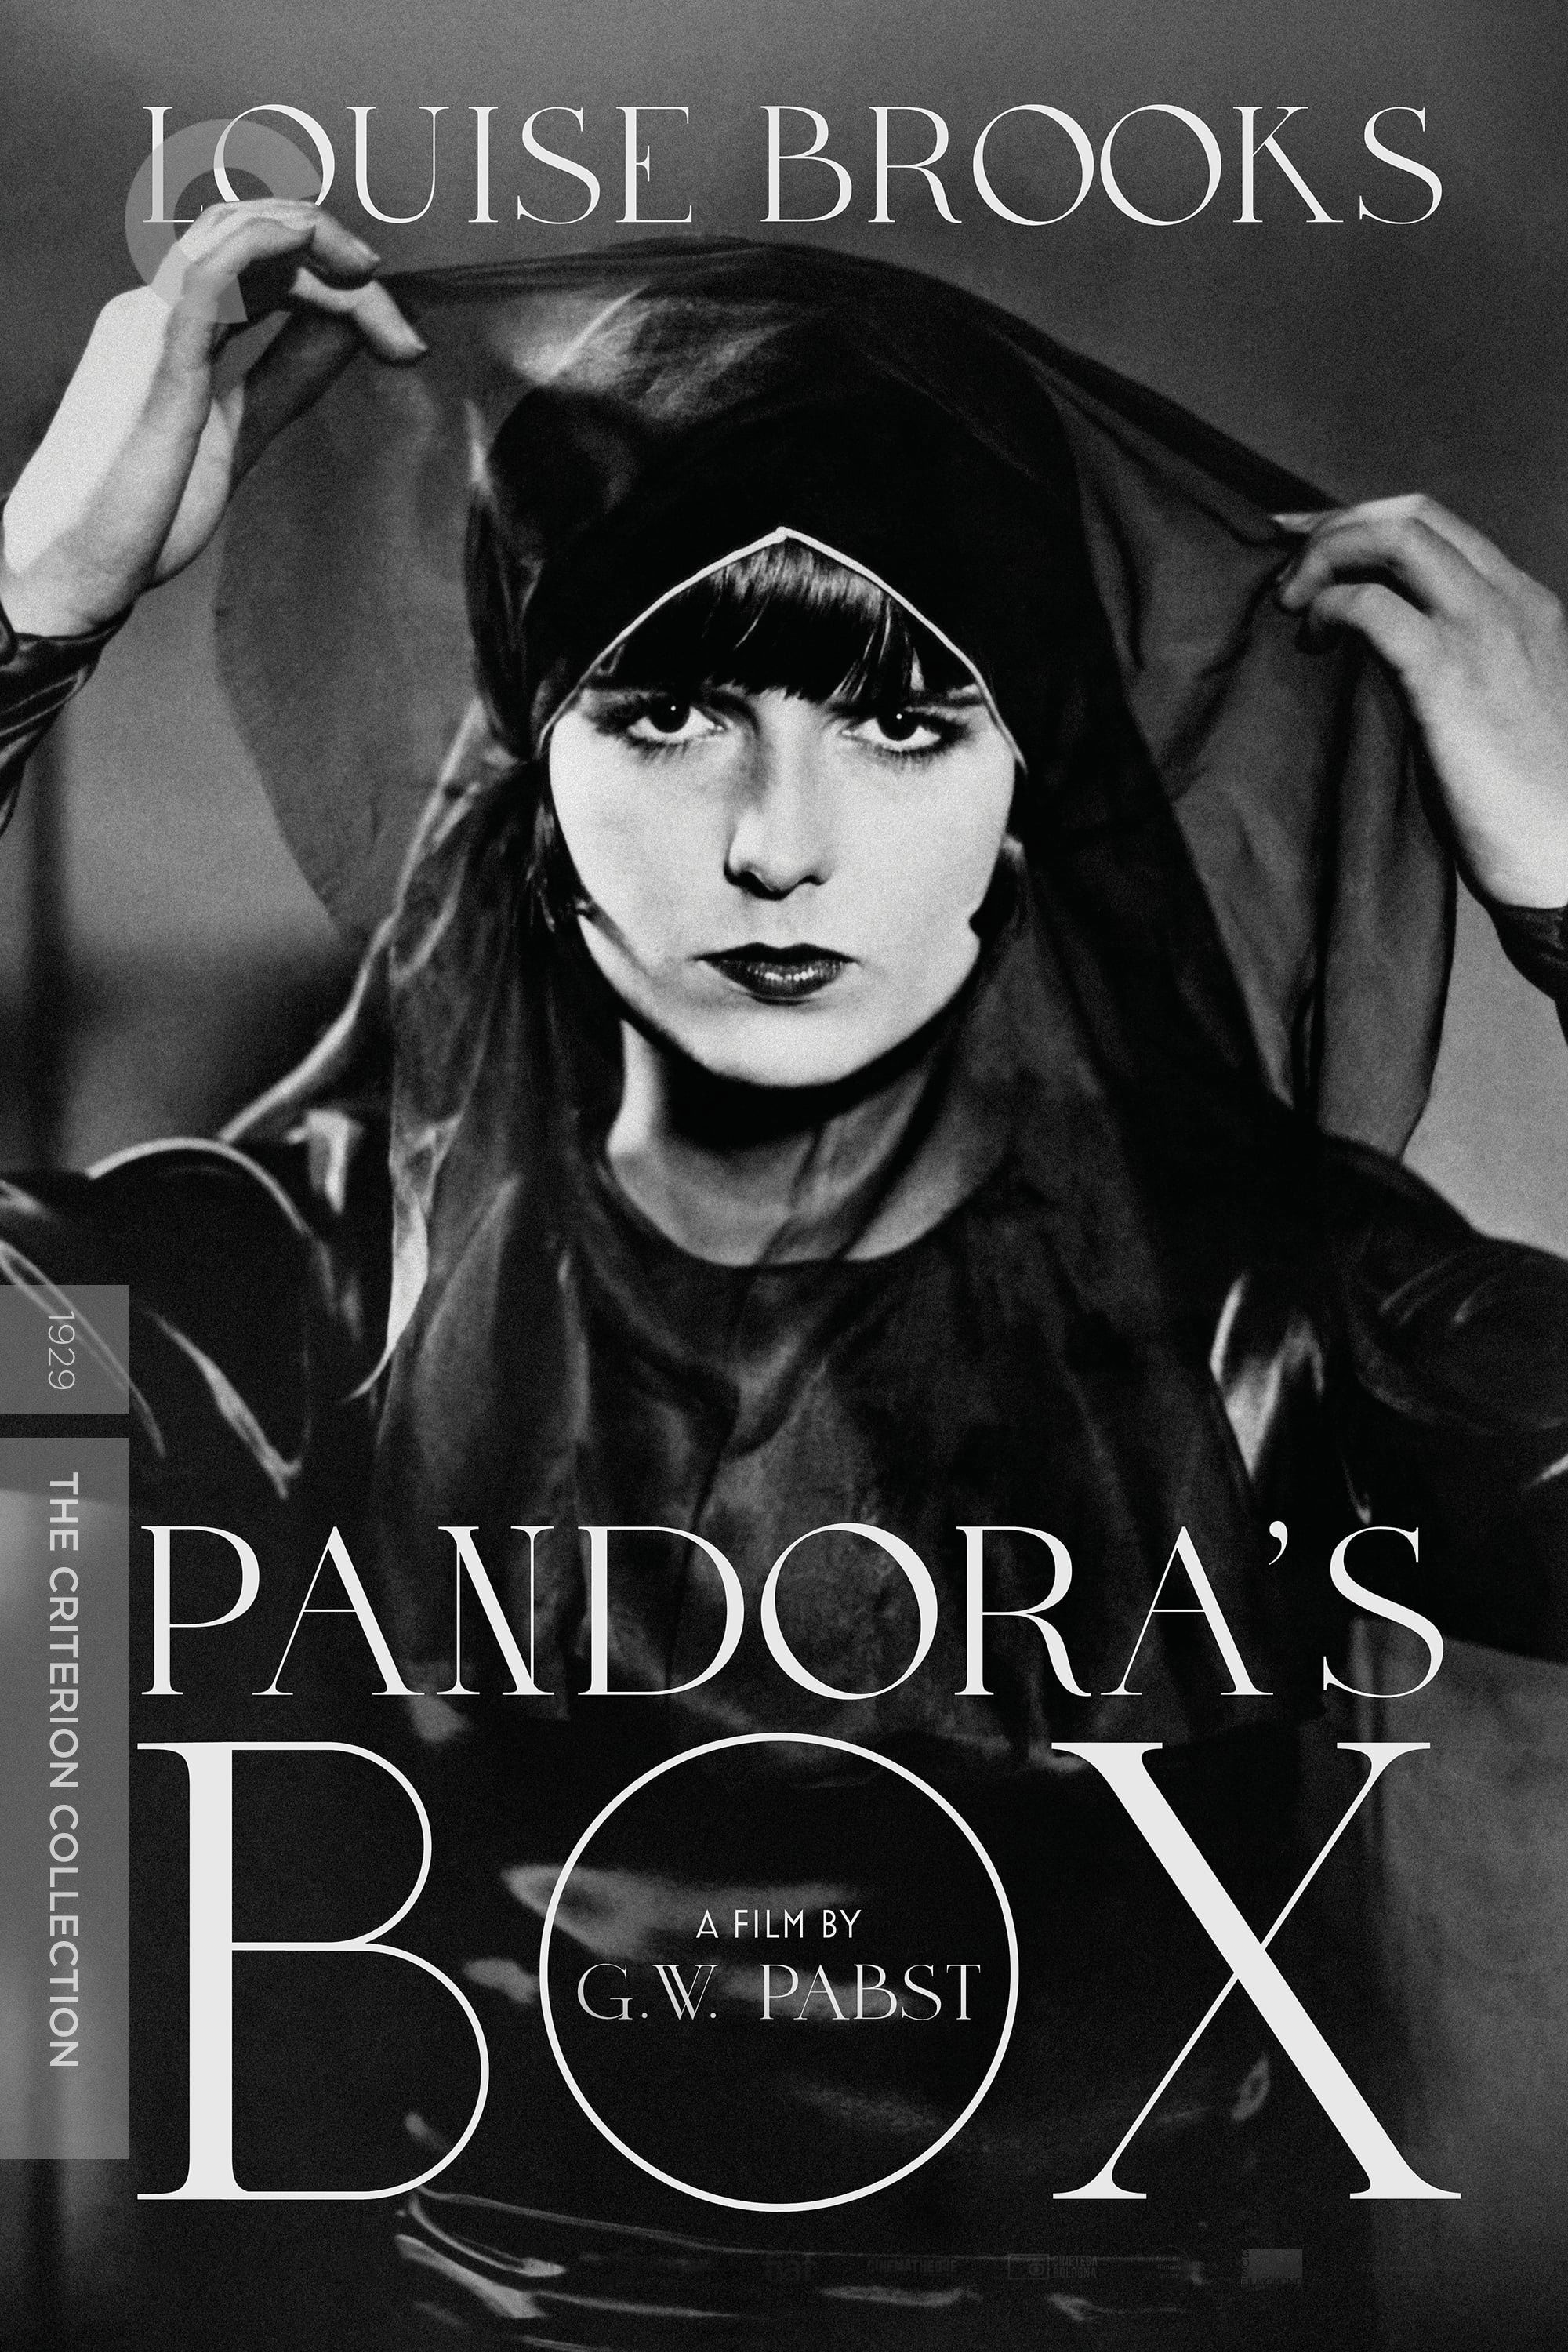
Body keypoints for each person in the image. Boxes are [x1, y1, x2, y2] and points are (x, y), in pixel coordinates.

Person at [4, 198, 1568, 2350]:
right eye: (667, 714)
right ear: (531, 775)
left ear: (1032, 791)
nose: (776, 841)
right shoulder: (313, 1269)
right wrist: (26, 609)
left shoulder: (1277, 1298)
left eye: (906, 724)